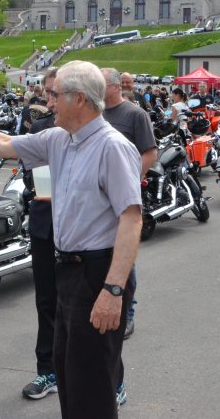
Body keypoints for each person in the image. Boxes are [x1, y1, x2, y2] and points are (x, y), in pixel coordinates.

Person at [0, 60, 142, 418]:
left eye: (55, 96)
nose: (48, 103)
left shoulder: (111, 147)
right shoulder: (60, 138)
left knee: (92, 383)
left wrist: (114, 290)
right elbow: (2, 143)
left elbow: (131, 219)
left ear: (81, 100)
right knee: (69, 374)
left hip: (98, 273)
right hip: (68, 269)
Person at [101, 68, 158, 343]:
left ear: (114, 87)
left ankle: (129, 313)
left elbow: (150, 153)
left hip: (124, 197)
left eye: (100, 84)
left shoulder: (135, 114)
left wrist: (131, 179)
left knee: (125, 255)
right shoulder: (96, 114)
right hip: (99, 199)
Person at [20, 66, 60, 400]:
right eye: (46, 92)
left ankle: (101, 376)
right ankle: (47, 371)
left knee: (85, 303)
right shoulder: (43, 128)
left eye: (54, 93)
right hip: (46, 221)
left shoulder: (97, 131)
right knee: (46, 300)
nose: (47, 100)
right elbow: (31, 173)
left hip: (85, 229)